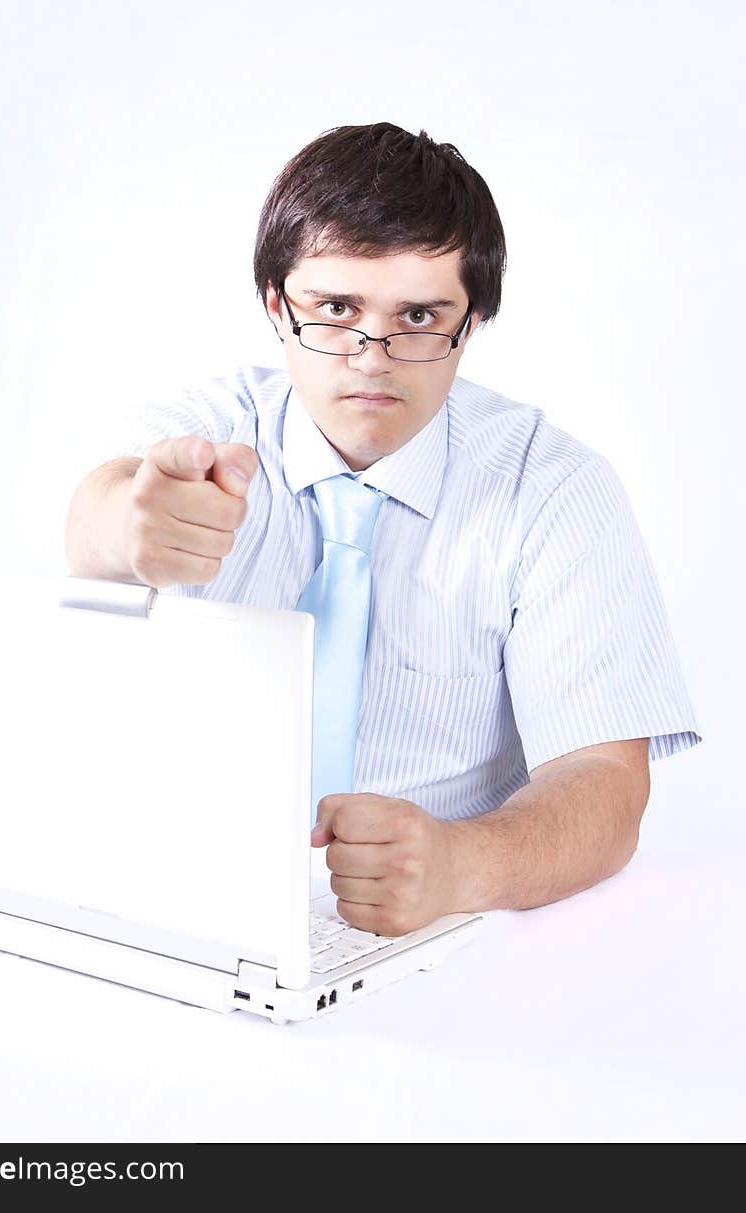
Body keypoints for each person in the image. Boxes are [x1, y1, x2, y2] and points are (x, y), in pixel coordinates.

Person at [64, 122, 703, 937]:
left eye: (419, 316)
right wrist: (133, 526)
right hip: (175, 905)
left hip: (434, 941)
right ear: (275, 305)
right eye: (335, 308)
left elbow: (605, 784)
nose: (374, 356)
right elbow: (98, 514)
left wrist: (459, 863)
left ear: (469, 325)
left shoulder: (555, 491)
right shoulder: (206, 431)